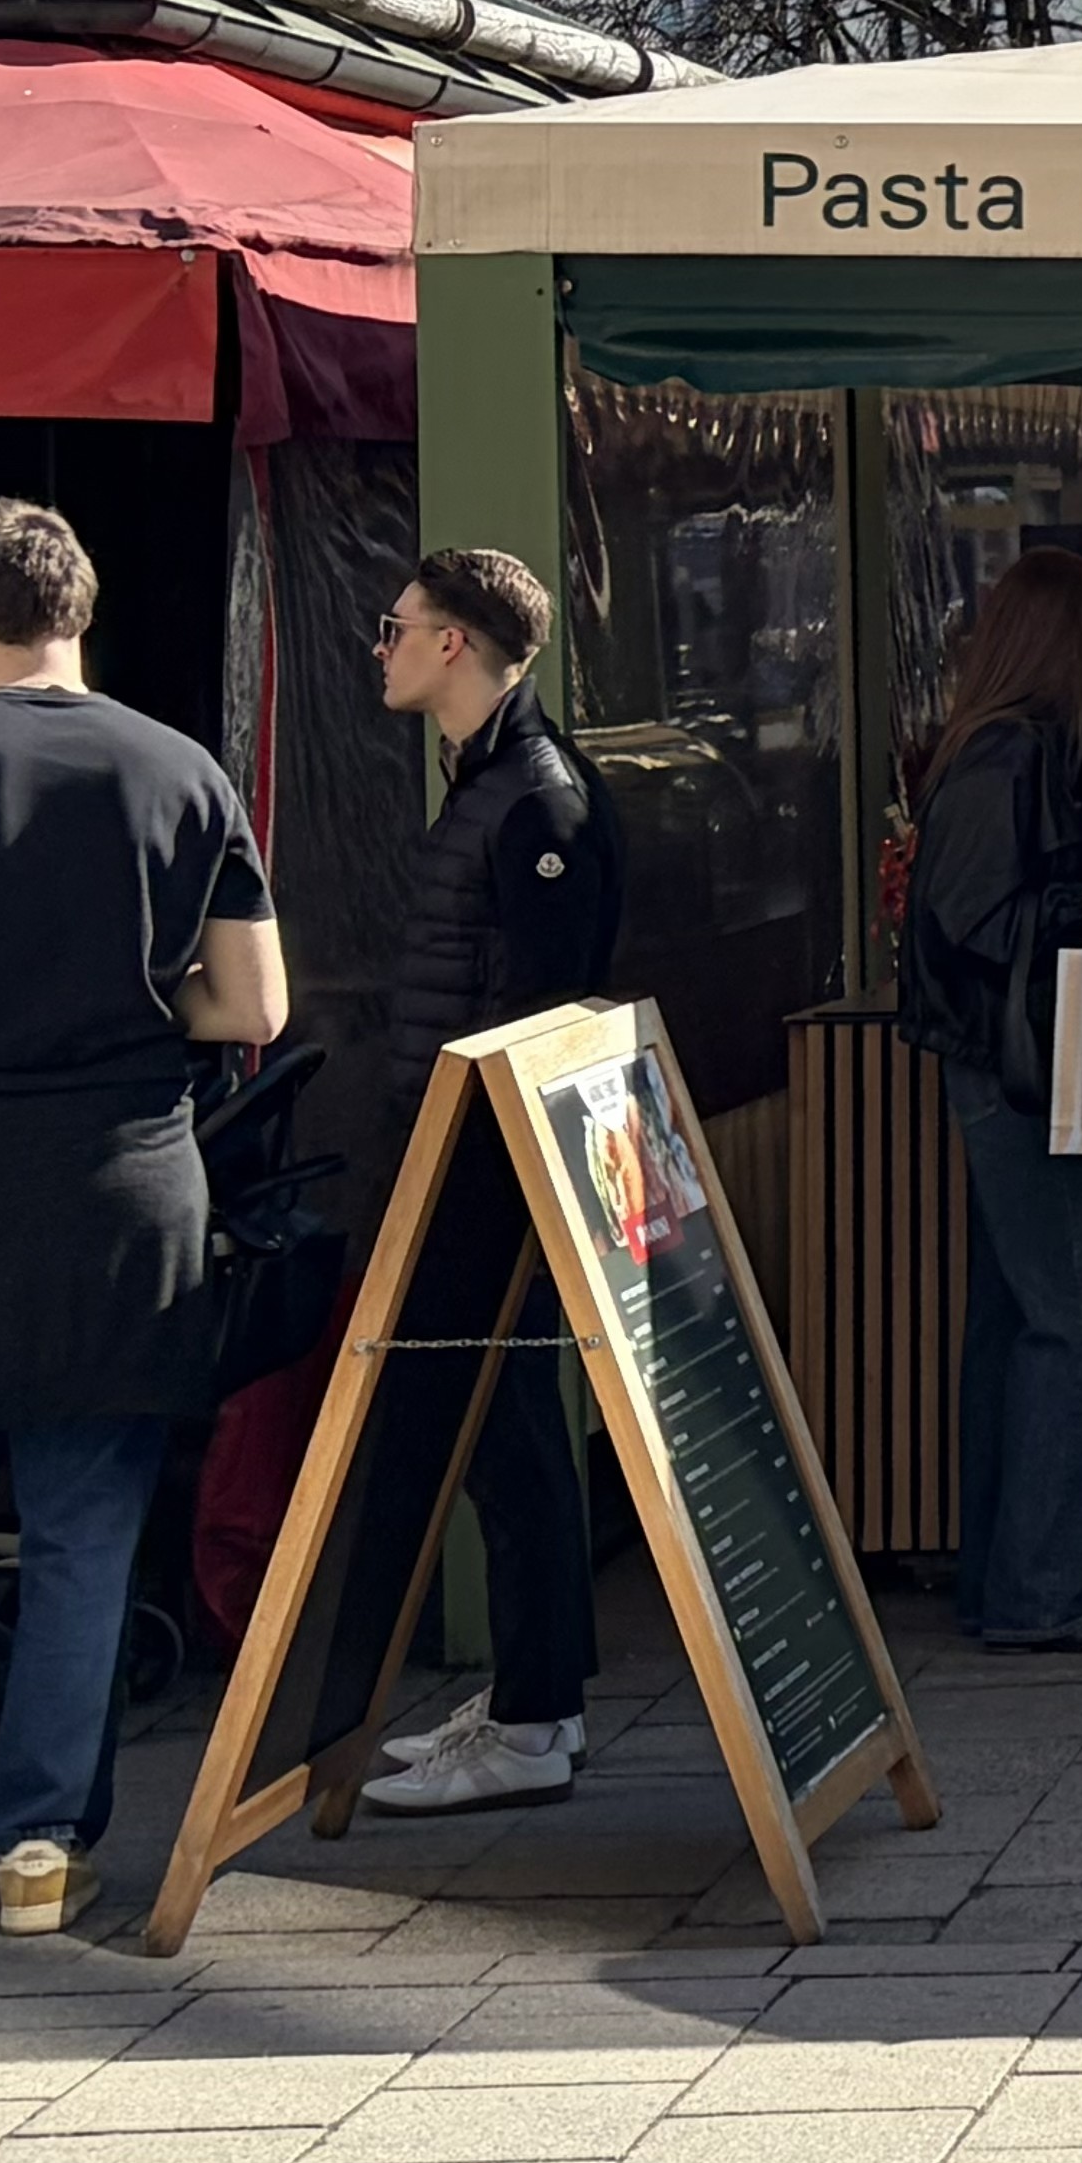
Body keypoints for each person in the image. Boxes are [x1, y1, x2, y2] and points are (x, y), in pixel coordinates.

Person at [0, 500, 284, 1933]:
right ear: (77, 613)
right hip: (126, 1185)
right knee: (88, 1522)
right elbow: (258, 1004)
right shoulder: (186, 769)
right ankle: (42, 1847)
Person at [354, 550, 633, 1817]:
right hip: (464, 1156)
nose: (384, 646)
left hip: (487, 1167)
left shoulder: (534, 796)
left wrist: (486, 1168)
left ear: (455, 645)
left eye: (397, 627)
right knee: (502, 1430)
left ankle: (531, 1722)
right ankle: (538, 1702)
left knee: (502, 1433)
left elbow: (540, 1003)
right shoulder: (495, 781)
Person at [895, 549, 1082, 1654]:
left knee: (1019, 1320)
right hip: (1016, 1070)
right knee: (1077, 1320)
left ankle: (1006, 1581)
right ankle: (1041, 1591)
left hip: (1003, 1065)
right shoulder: (1003, 759)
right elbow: (974, 921)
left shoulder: (1001, 750)